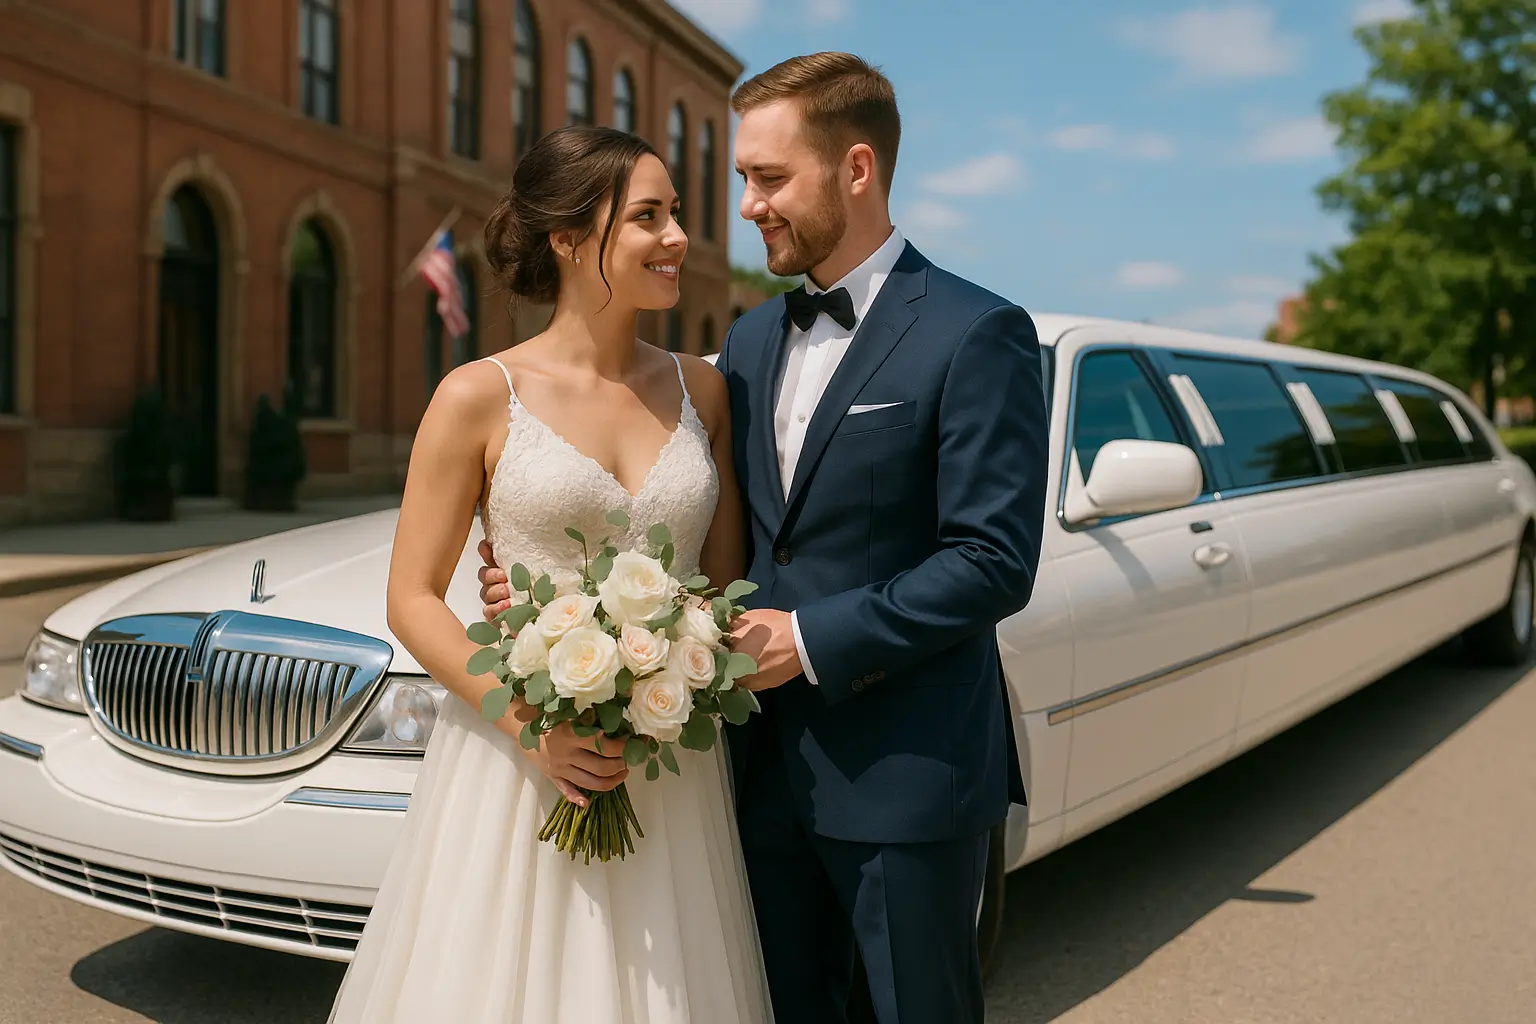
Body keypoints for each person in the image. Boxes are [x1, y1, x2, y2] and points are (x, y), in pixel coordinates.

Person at [479, 53, 1048, 1024]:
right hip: (746, 778)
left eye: (770, 178)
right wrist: (561, 597)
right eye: (744, 178)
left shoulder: (976, 331)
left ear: (856, 170)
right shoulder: (744, 344)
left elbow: (992, 559)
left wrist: (811, 638)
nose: (747, 206)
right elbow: (697, 531)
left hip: (904, 780)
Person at [328, 125, 774, 1023]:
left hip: (668, 768)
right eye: (647, 217)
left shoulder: (707, 391)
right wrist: (534, 724)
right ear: (568, 239)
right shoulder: (475, 395)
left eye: (675, 213)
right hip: (516, 755)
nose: (677, 237)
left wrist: (675, 660)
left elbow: (721, 590)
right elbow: (411, 598)